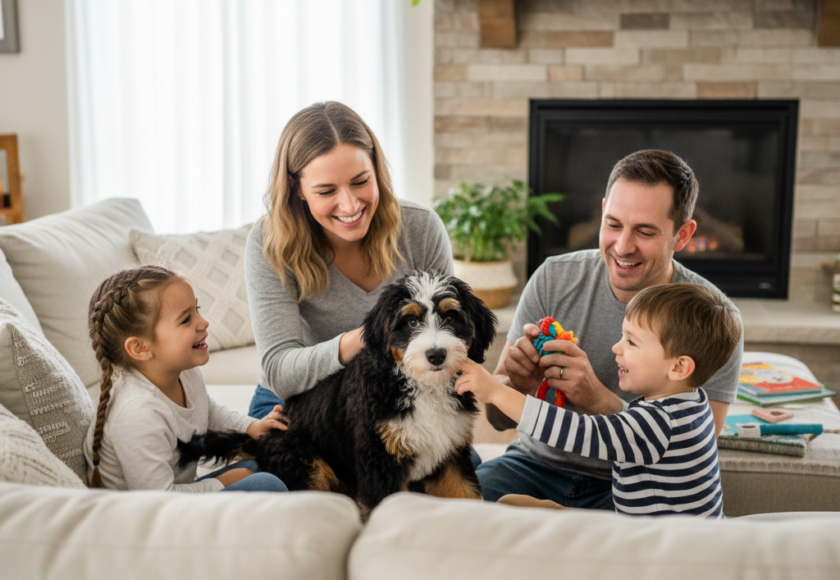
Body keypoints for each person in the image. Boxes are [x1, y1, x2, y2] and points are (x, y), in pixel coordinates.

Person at [477, 149, 744, 507]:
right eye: (614, 224)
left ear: (682, 235)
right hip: (534, 463)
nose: (622, 246)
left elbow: (685, 453)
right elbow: (496, 421)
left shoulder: (709, 320)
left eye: (645, 231)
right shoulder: (553, 278)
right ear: (602, 212)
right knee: (450, 513)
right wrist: (522, 387)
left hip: (632, 485)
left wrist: (595, 398)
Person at [457, 283, 741, 517]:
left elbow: (573, 432)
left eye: (631, 341)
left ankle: (560, 519)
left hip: (658, 550)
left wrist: (494, 389)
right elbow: (637, 428)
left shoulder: (659, 424)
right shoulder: (691, 403)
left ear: (679, 367)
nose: (616, 347)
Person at [245, 101, 454, 419]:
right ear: (296, 187)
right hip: (300, 400)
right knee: (267, 470)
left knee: (466, 468)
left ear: (376, 169)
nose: (349, 205)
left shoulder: (421, 228)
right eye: (327, 191)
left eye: (360, 182)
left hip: (395, 393)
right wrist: (365, 337)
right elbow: (279, 371)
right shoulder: (269, 242)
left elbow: (449, 331)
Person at [83, 265, 288, 492]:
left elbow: (208, 410)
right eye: (186, 319)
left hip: (178, 495)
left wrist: (253, 426)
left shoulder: (185, 371)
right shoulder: (138, 413)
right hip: (150, 516)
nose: (204, 322)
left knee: (266, 462)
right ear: (141, 347)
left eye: (197, 309)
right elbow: (160, 499)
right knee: (266, 483)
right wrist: (223, 482)